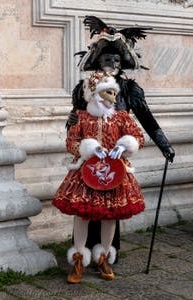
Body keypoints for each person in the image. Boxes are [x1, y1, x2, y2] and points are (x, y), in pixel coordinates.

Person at [66, 16, 175, 259]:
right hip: (91, 158)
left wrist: (164, 145)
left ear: (121, 62)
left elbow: (146, 120)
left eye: (116, 59)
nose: (112, 62)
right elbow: (75, 122)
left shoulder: (130, 90)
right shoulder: (84, 88)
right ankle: (81, 254)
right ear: (99, 61)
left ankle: (107, 253)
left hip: (116, 157)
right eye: (107, 58)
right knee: (86, 206)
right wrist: (74, 129)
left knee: (111, 207)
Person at [53, 71, 145, 283]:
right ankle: (78, 257)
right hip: (86, 172)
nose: (112, 97)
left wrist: (124, 146)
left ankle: (103, 256)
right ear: (94, 94)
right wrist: (89, 148)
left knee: (110, 214)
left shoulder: (122, 116)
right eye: (106, 93)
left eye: (113, 92)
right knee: (82, 213)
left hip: (116, 172)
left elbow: (138, 137)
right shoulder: (82, 116)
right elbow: (71, 142)